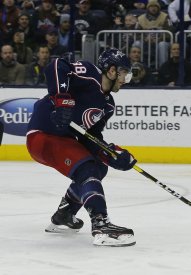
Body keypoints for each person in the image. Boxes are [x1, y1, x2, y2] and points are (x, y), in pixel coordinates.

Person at [25, 48, 137, 247]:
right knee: (87, 169)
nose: (125, 80)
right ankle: (101, 225)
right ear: (111, 70)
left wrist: (111, 154)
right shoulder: (88, 74)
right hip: (43, 134)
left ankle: (65, 215)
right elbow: (56, 66)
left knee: (99, 167)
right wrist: (62, 99)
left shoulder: (107, 105)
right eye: (123, 74)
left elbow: (90, 139)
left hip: (63, 140)